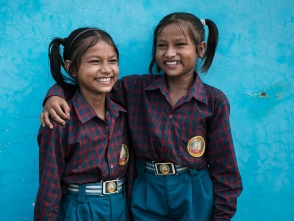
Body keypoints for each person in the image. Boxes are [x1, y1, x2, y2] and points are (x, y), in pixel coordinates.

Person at [40, 12, 243, 221]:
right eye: (162, 46)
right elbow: (92, 86)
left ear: (201, 49)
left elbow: (225, 168)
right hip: (147, 192)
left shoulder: (214, 101)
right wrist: (55, 94)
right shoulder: (136, 89)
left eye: (180, 45)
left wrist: (222, 215)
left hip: (194, 191)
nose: (170, 53)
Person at [34, 27, 135, 221]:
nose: (106, 69)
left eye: (112, 61)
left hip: (119, 206)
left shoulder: (121, 113)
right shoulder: (60, 120)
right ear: (72, 68)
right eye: (95, 61)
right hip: (79, 209)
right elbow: (49, 185)